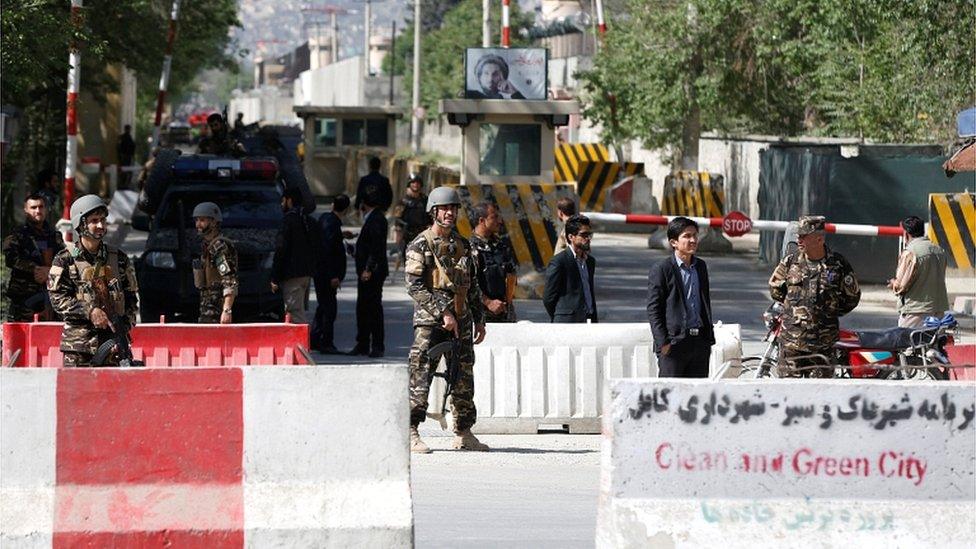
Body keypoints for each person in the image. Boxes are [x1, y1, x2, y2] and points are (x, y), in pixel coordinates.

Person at [405, 186, 488, 453]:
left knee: (463, 376)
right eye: (445, 209)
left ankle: (463, 432)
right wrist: (443, 312)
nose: (450, 213)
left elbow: (471, 284)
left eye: (453, 209)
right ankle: (411, 430)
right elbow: (415, 285)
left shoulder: (463, 245)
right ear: (434, 211)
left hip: (461, 320)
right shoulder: (421, 243)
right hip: (431, 322)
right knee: (421, 374)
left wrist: (479, 318)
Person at [48, 195, 138, 367]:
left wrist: (121, 331)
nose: (101, 225)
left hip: (114, 348)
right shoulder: (65, 260)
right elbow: (57, 299)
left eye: (103, 220)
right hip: (79, 348)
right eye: (94, 220)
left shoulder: (118, 258)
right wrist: (89, 310)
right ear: (81, 224)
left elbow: (131, 298)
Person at [769, 215, 861, 378]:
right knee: (788, 397)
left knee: (820, 398)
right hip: (792, 345)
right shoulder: (790, 262)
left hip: (822, 347)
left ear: (819, 239)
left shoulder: (838, 264)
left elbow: (851, 298)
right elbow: (775, 289)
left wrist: (827, 314)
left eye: (804, 236)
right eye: (798, 235)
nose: (799, 239)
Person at [646, 217, 715, 378]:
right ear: (673, 242)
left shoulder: (701, 267)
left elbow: (704, 303)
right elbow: (653, 309)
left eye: (695, 236)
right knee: (670, 396)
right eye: (687, 236)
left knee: (696, 398)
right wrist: (663, 343)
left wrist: (707, 341)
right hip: (674, 343)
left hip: (699, 343)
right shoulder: (662, 269)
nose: (693, 240)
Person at [3, 193, 65, 321]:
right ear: (26, 210)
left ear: (46, 209)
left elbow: (64, 259)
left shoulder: (55, 236)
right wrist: (35, 269)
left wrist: (50, 270)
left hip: (52, 296)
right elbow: (11, 259)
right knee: (21, 337)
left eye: (41, 207)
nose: (38, 210)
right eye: (33, 207)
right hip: (24, 296)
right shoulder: (17, 235)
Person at [888, 215, 949, 327]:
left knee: (907, 342)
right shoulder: (940, 251)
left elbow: (901, 285)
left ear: (906, 234)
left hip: (915, 311)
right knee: (933, 342)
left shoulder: (910, 253)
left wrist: (893, 283)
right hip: (938, 310)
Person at [350, 187, 389, 357]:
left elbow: (376, 248)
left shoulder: (376, 220)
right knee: (364, 308)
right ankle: (363, 343)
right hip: (369, 271)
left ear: (363, 204)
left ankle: (376, 346)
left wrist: (368, 269)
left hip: (372, 273)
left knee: (373, 309)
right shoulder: (374, 218)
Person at [311, 194, 350, 354]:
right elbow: (327, 249)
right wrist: (333, 275)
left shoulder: (326, 220)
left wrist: (342, 235)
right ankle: (326, 342)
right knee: (329, 309)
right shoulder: (331, 223)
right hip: (326, 274)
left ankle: (315, 339)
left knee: (323, 307)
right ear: (346, 210)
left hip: (321, 272)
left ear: (333, 205)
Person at [271, 187, 317, 323]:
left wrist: (274, 276)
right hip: (306, 274)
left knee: (295, 314)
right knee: (298, 310)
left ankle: (303, 344)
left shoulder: (288, 221)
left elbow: (281, 250)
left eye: (283, 201)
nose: (281, 204)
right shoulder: (308, 220)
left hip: (292, 276)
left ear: (289, 200)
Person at [544, 214, 597, 323]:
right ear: (570, 237)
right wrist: (562, 316)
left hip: (589, 321)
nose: (588, 239)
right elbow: (548, 298)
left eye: (589, 235)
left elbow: (589, 292)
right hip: (566, 323)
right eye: (583, 235)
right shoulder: (559, 261)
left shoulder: (590, 262)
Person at [470, 203, 518, 322]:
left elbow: (510, 275)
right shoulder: (469, 248)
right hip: (482, 317)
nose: (500, 221)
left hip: (505, 314)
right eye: (494, 217)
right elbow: (467, 284)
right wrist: (488, 302)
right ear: (482, 220)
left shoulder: (501, 246)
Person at [192, 202, 238, 324]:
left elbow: (229, 279)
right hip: (208, 307)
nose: (198, 224)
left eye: (202, 220)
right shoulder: (207, 246)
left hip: (217, 308)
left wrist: (226, 310)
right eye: (196, 220)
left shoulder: (219, 247)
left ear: (213, 222)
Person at [393, 173, 429, 264]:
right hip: (408, 237)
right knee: (409, 263)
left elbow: (430, 216)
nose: (415, 185)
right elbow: (397, 220)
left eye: (417, 183)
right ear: (409, 184)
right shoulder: (403, 201)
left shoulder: (425, 200)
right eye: (413, 182)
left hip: (423, 235)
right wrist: (398, 239)